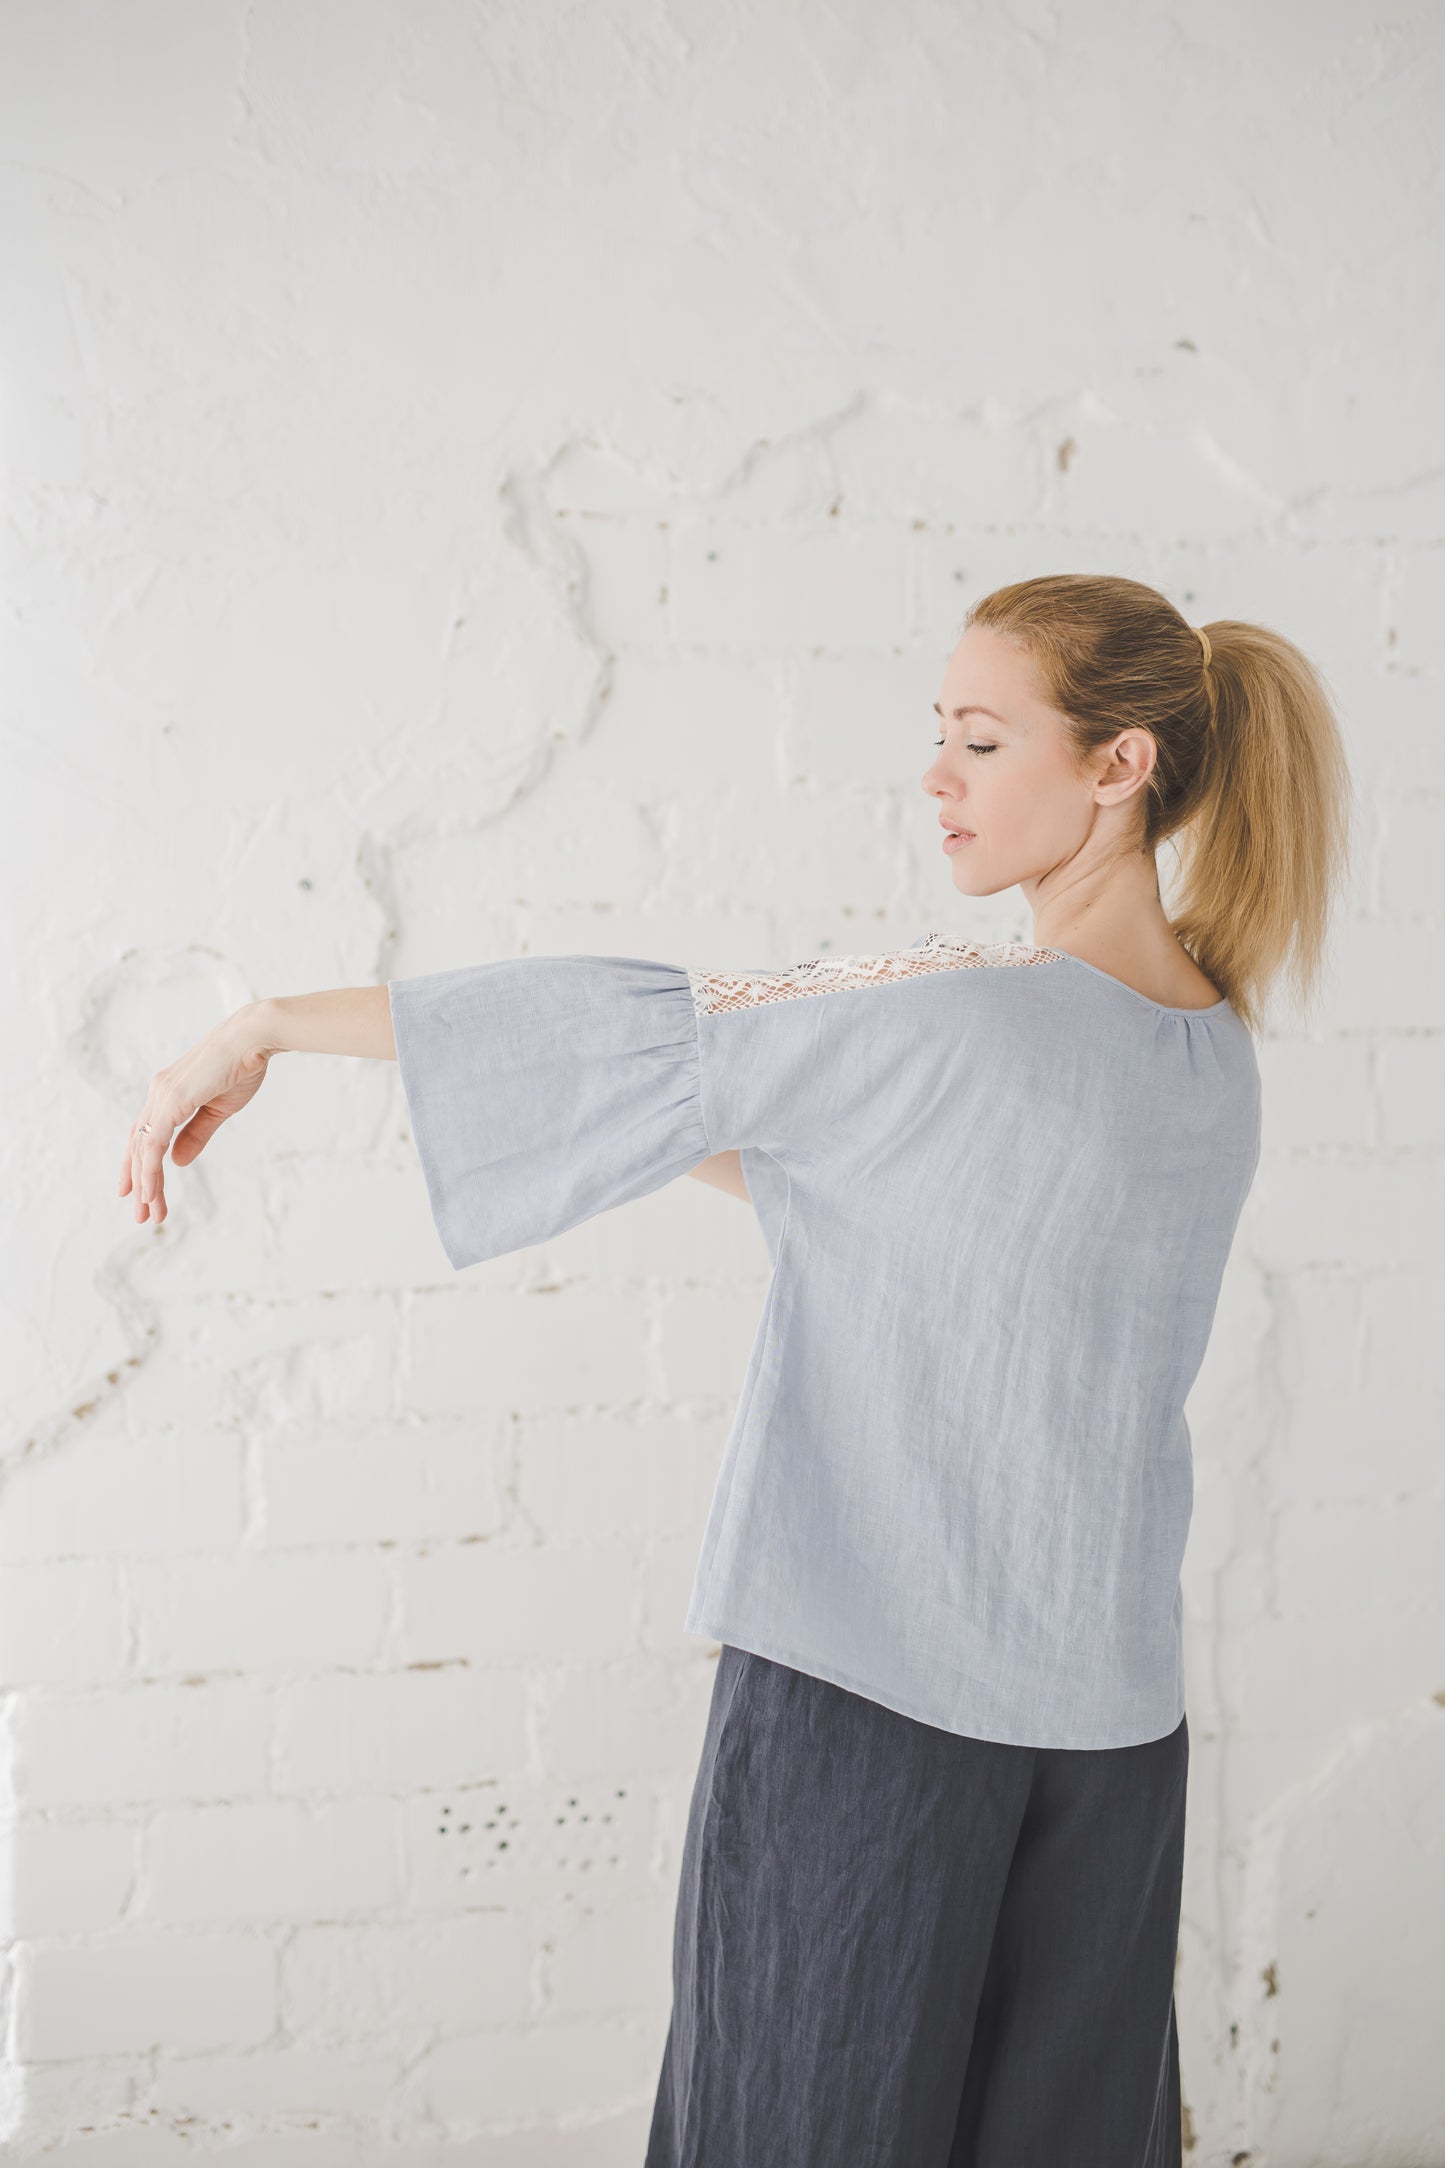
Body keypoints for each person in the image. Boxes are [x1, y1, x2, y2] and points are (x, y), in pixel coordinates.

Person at [119, 572, 1352, 2166]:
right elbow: (900, 1206)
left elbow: (652, 1032)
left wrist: (265, 1025)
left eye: (980, 741)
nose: (935, 779)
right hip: (1107, 1743)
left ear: (1119, 766)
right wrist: (731, 1125)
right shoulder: (1205, 1053)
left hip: (870, 1716)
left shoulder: (960, 1017)